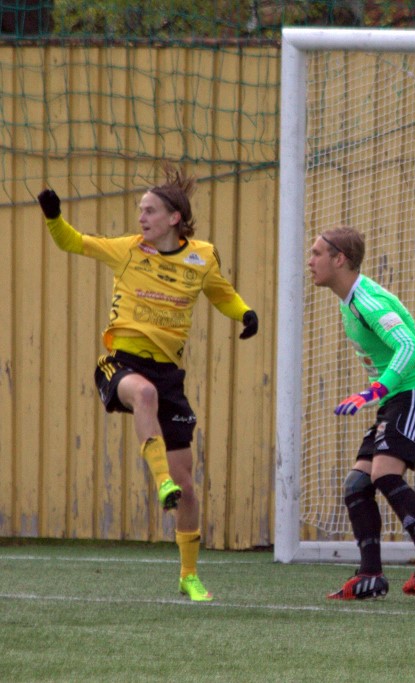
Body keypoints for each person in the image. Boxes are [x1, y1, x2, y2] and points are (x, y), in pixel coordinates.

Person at [37, 165, 259, 602]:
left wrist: (245, 313)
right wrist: (53, 216)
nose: (141, 218)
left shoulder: (202, 257)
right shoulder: (128, 249)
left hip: (169, 373)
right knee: (144, 394)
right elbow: (71, 241)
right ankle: (161, 483)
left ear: (174, 218)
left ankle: (189, 575)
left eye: (149, 210)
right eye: (140, 210)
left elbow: (221, 293)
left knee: (188, 488)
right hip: (121, 364)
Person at [309, 226, 415, 600]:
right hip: (398, 398)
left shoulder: (367, 301)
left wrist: (375, 390)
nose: (310, 261)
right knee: (357, 485)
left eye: (317, 253)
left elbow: (408, 346)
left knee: (385, 474)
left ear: (340, 259)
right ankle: (370, 575)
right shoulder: (348, 301)